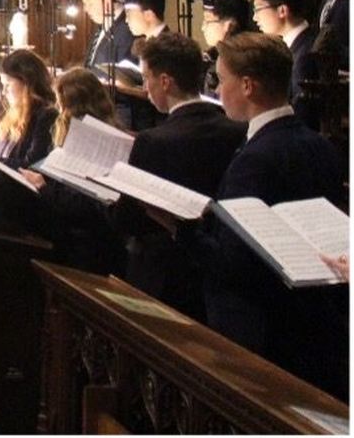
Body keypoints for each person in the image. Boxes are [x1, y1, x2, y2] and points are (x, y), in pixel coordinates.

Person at [196, 33, 346, 399]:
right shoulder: (320, 144)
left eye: (222, 80)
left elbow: (234, 261)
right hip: (313, 325)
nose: (217, 91)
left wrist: (180, 231)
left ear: (247, 86)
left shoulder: (255, 159)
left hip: (261, 329)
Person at [112, 32, 245, 320]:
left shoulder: (153, 141)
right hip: (212, 270)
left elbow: (130, 218)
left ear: (165, 81)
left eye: (146, 78)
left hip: (163, 273)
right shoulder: (237, 131)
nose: (144, 87)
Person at [19, 68, 123, 276]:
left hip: (85, 245)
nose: (59, 111)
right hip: (83, 236)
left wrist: (43, 186)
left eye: (61, 105)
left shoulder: (94, 141)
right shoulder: (98, 132)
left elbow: (86, 202)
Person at [248, 0, 316, 115]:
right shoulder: (291, 46)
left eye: (258, 10)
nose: (255, 18)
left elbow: (301, 112)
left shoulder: (306, 53)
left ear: (282, 11)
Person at [0, 48, 59, 168]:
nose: (4, 92)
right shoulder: (12, 112)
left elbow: (32, 165)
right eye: (2, 85)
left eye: (7, 85)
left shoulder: (46, 116)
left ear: (26, 83)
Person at [117, 0, 167, 129]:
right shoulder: (143, 41)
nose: (126, 21)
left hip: (157, 122)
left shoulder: (165, 45)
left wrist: (122, 88)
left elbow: (160, 91)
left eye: (129, 14)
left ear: (149, 15)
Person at [198, 0, 256, 93]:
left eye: (207, 21)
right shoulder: (211, 56)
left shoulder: (241, 60)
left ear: (229, 25)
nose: (203, 28)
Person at [75, 0, 134, 68]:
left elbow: (124, 72)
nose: (85, 9)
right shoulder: (102, 26)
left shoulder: (129, 28)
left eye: (90, 3)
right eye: (85, 4)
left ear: (108, 0)